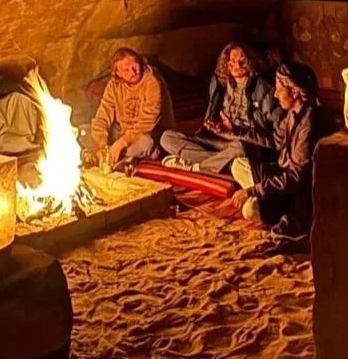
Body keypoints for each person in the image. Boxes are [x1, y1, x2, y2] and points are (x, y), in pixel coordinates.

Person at [230, 64, 327, 236]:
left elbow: (297, 177)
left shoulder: (309, 125)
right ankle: (261, 196)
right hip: (281, 174)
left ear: (295, 92)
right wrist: (235, 131)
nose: (275, 94)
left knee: (249, 210)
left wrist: (252, 191)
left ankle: (266, 202)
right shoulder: (292, 114)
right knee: (238, 165)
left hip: (296, 193)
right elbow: (274, 140)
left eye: (279, 88)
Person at [160, 42, 281, 174]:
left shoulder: (263, 89)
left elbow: (273, 141)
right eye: (233, 61)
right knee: (167, 138)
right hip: (219, 141)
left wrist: (237, 131)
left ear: (251, 61)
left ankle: (197, 167)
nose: (237, 66)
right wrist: (215, 126)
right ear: (226, 63)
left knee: (239, 148)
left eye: (243, 61)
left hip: (245, 143)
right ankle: (224, 164)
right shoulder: (221, 85)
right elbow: (213, 118)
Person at [90, 47, 174, 167]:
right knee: (85, 131)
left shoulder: (152, 81)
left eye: (135, 66)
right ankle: (115, 156)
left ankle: (121, 158)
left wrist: (122, 142)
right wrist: (102, 144)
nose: (133, 72)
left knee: (147, 143)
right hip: (124, 133)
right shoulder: (114, 85)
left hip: (148, 133)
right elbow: (104, 113)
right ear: (118, 73)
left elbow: (148, 121)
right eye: (126, 70)